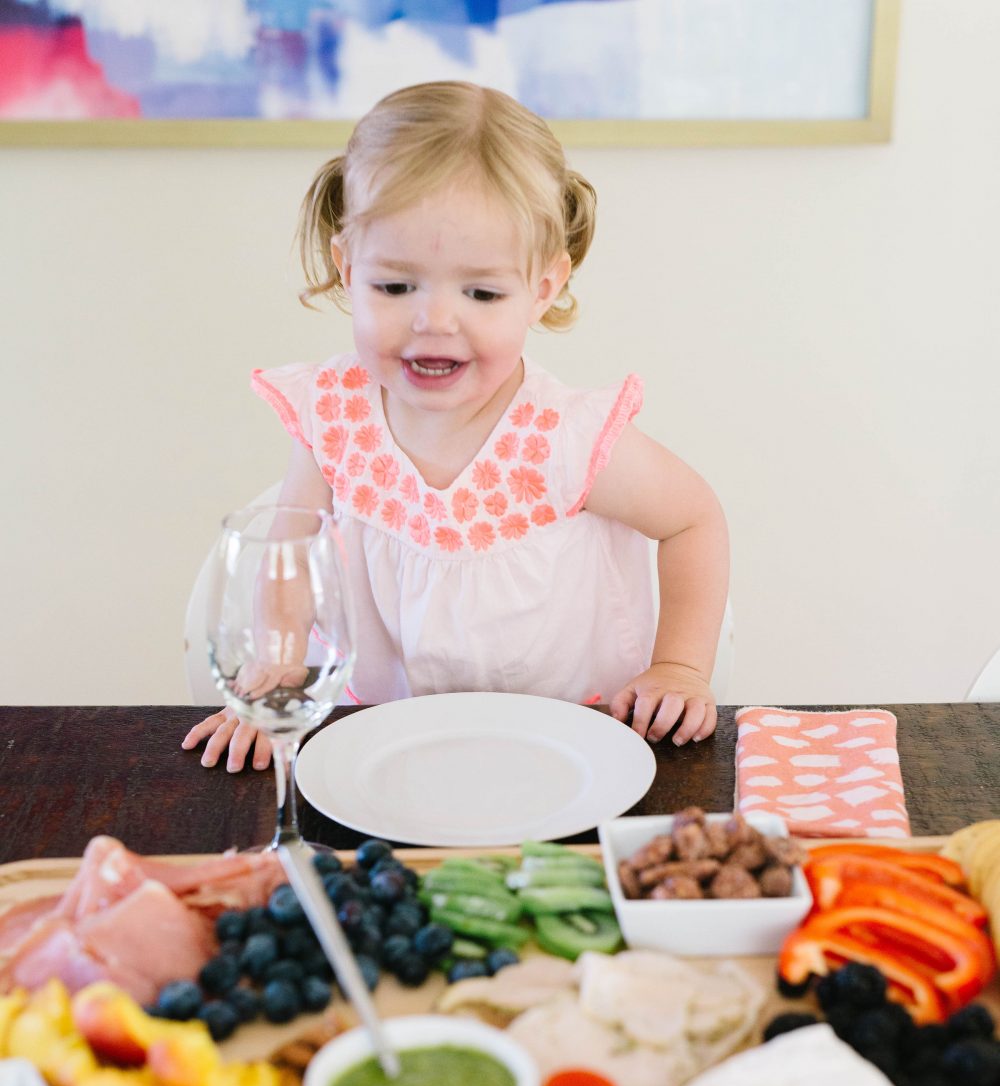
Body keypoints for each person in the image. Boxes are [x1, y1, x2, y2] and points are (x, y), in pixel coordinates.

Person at [184, 81, 729, 773]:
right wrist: (277, 671)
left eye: (481, 293)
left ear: (544, 286)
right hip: (385, 742)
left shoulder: (564, 436)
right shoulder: (335, 413)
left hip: (565, 746)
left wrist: (680, 666)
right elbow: (294, 549)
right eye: (394, 286)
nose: (434, 321)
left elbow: (693, 519)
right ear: (347, 268)